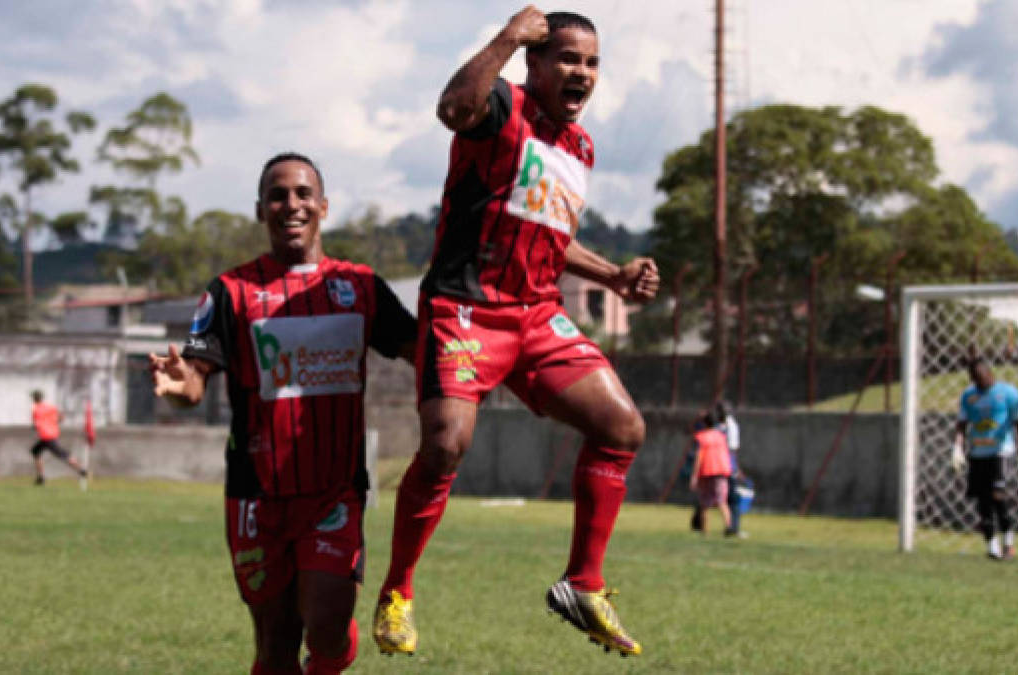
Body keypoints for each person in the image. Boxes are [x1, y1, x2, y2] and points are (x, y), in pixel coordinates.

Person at [371, 6, 659, 659]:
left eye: (591, 63)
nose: (581, 72)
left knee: (623, 428)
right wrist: (504, 38)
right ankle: (398, 592)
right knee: (446, 444)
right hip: (467, 305)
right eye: (567, 58)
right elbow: (451, 109)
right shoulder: (501, 103)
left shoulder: (579, 146)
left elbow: (549, 234)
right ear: (535, 61)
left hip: (534, 312)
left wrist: (613, 274)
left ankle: (583, 584)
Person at [149, 153, 417, 675]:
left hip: (334, 492)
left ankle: (335, 646)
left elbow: (421, 349)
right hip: (256, 497)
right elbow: (194, 380)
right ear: (260, 210)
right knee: (274, 648)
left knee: (325, 626)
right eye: (277, 195)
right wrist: (179, 386)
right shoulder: (230, 292)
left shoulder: (360, 287)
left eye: (301, 193)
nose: (290, 204)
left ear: (323, 206)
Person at [951, 358, 1018, 561]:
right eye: (975, 379)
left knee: (999, 496)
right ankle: (992, 547)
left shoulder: (1008, 393)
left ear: (990, 373)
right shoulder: (969, 396)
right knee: (983, 503)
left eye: (982, 377)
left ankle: (1009, 543)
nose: (979, 383)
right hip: (977, 454)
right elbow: (962, 424)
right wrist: (957, 448)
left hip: (1001, 452)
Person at [689, 412, 733, 535]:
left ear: (704, 423)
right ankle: (729, 527)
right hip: (721, 471)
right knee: (722, 501)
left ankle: (704, 530)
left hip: (706, 471)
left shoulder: (701, 437)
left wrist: (694, 476)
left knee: (705, 503)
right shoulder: (721, 436)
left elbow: (698, 457)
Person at [29, 390, 87, 485]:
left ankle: (81, 469)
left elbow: (36, 424)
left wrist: (36, 426)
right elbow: (61, 417)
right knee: (35, 451)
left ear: (34, 399)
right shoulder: (50, 407)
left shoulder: (36, 410)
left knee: (63, 455)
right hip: (51, 434)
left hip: (46, 436)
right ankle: (41, 477)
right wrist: (53, 423)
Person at [713, 400, 745, 537]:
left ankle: (732, 527)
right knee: (731, 499)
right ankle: (733, 528)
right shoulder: (727, 426)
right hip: (726, 467)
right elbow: (732, 450)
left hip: (722, 467)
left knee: (726, 498)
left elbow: (731, 450)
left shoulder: (722, 426)